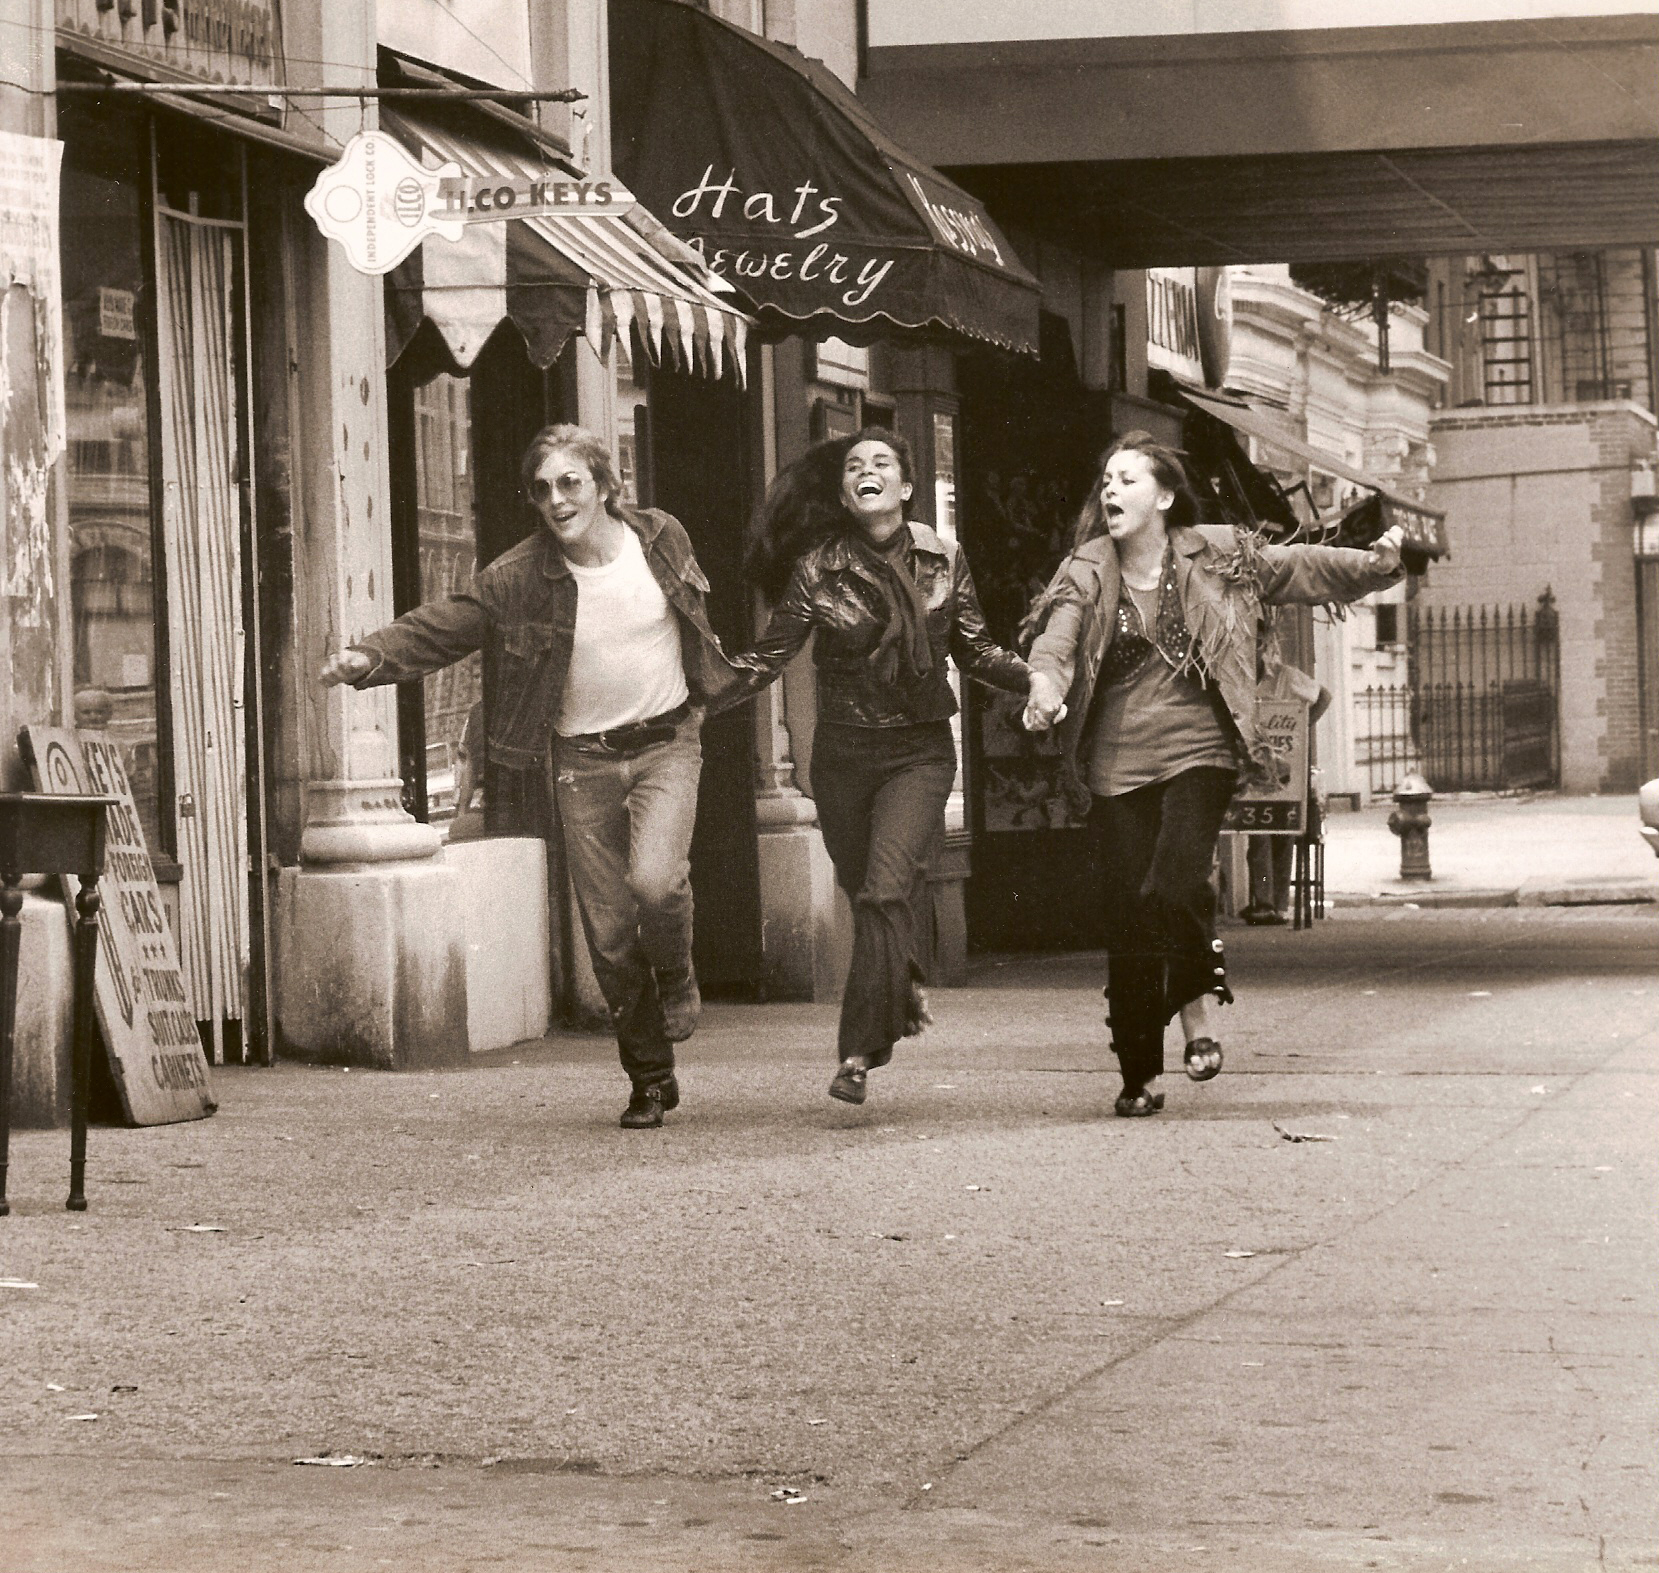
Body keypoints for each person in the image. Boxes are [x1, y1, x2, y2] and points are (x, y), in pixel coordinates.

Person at [319, 423, 741, 1130]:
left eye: (571, 482)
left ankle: (676, 975)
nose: (556, 499)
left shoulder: (661, 538)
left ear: (605, 485)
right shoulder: (521, 575)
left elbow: (698, 621)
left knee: (656, 882)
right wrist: (371, 657)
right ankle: (648, 1076)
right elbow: (452, 621)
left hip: (668, 743)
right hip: (581, 761)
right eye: (542, 488)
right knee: (607, 933)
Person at [1022, 431, 1403, 1117]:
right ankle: (1137, 1072)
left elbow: (1295, 567)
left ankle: (1195, 998)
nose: (1109, 489)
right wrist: (1043, 687)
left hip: (1201, 747)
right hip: (1114, 762)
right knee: (1129, 912)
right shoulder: (1086, 566)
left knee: (1169, 883)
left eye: (1126, 478)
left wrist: (1370, 565)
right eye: (1104, 479)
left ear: (1163, 496)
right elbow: (1055, 635)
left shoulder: (1217, 551)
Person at [728, 428, 1064, 1105]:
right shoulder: (817, 565)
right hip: (845, 755)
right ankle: (898, 983)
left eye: (881, 463)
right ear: (847, 495)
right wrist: (694, 691)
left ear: (906, 487)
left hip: (917, 751)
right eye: (854, 466)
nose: (866, 471)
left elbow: (971, 649)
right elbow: (768, 655)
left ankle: (855, 1052)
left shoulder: (943, 558)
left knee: (884, 892)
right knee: (867, 896)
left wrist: (1034, 678)